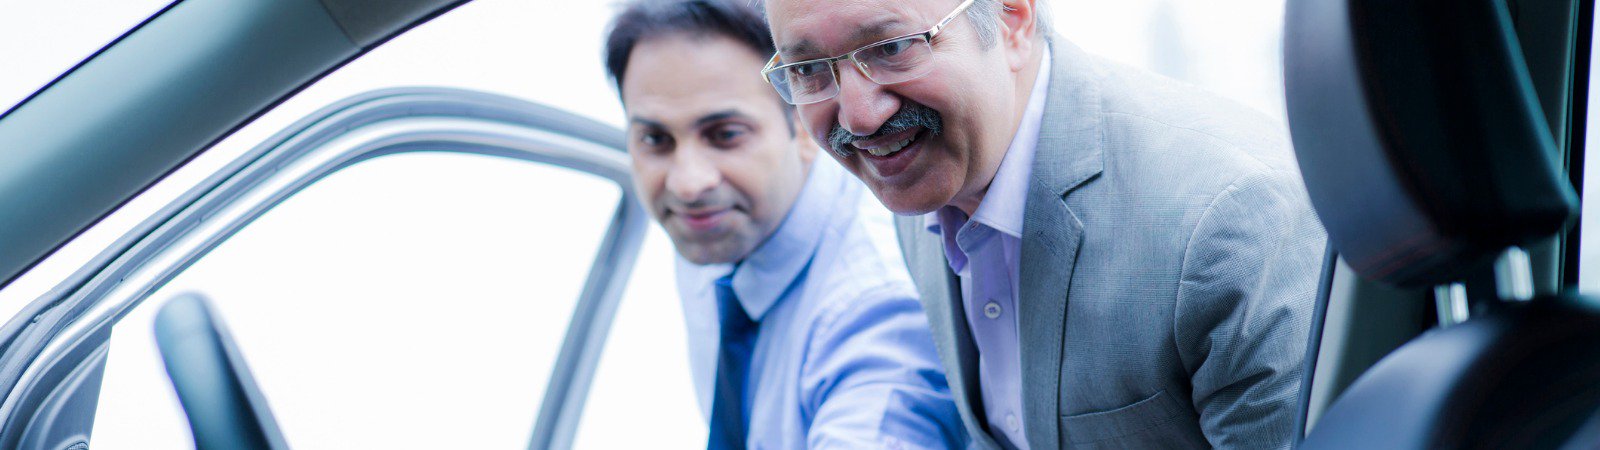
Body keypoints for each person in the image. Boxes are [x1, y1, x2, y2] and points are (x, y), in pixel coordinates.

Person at [759, 0, 1328, 448]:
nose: (859, 116)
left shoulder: (1226, 218)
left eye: (892, 47)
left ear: (1012, 18)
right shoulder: (922, 168)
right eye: (809, 69)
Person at [603, 1, 967, 448]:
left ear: (802, 126)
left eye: (726, 135)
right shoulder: (721, 229)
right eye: (656, 140)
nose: (687, 183)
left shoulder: (875, 304)